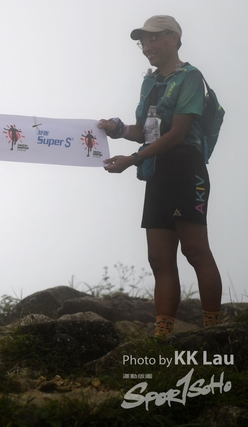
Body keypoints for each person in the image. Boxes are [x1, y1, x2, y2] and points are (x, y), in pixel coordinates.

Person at [98, 15, 222, 335]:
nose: (147, 46)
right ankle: (162, 335)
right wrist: (117, 129)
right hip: (156, 171)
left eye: (153, 39)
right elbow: (146, 131)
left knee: (194, 250)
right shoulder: (150, 83)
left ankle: (216, 331)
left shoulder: (190, 77)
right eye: (143, 41)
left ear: (174, 38)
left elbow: (178, 133)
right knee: (159, 258)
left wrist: (133, 160)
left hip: (185, 169)